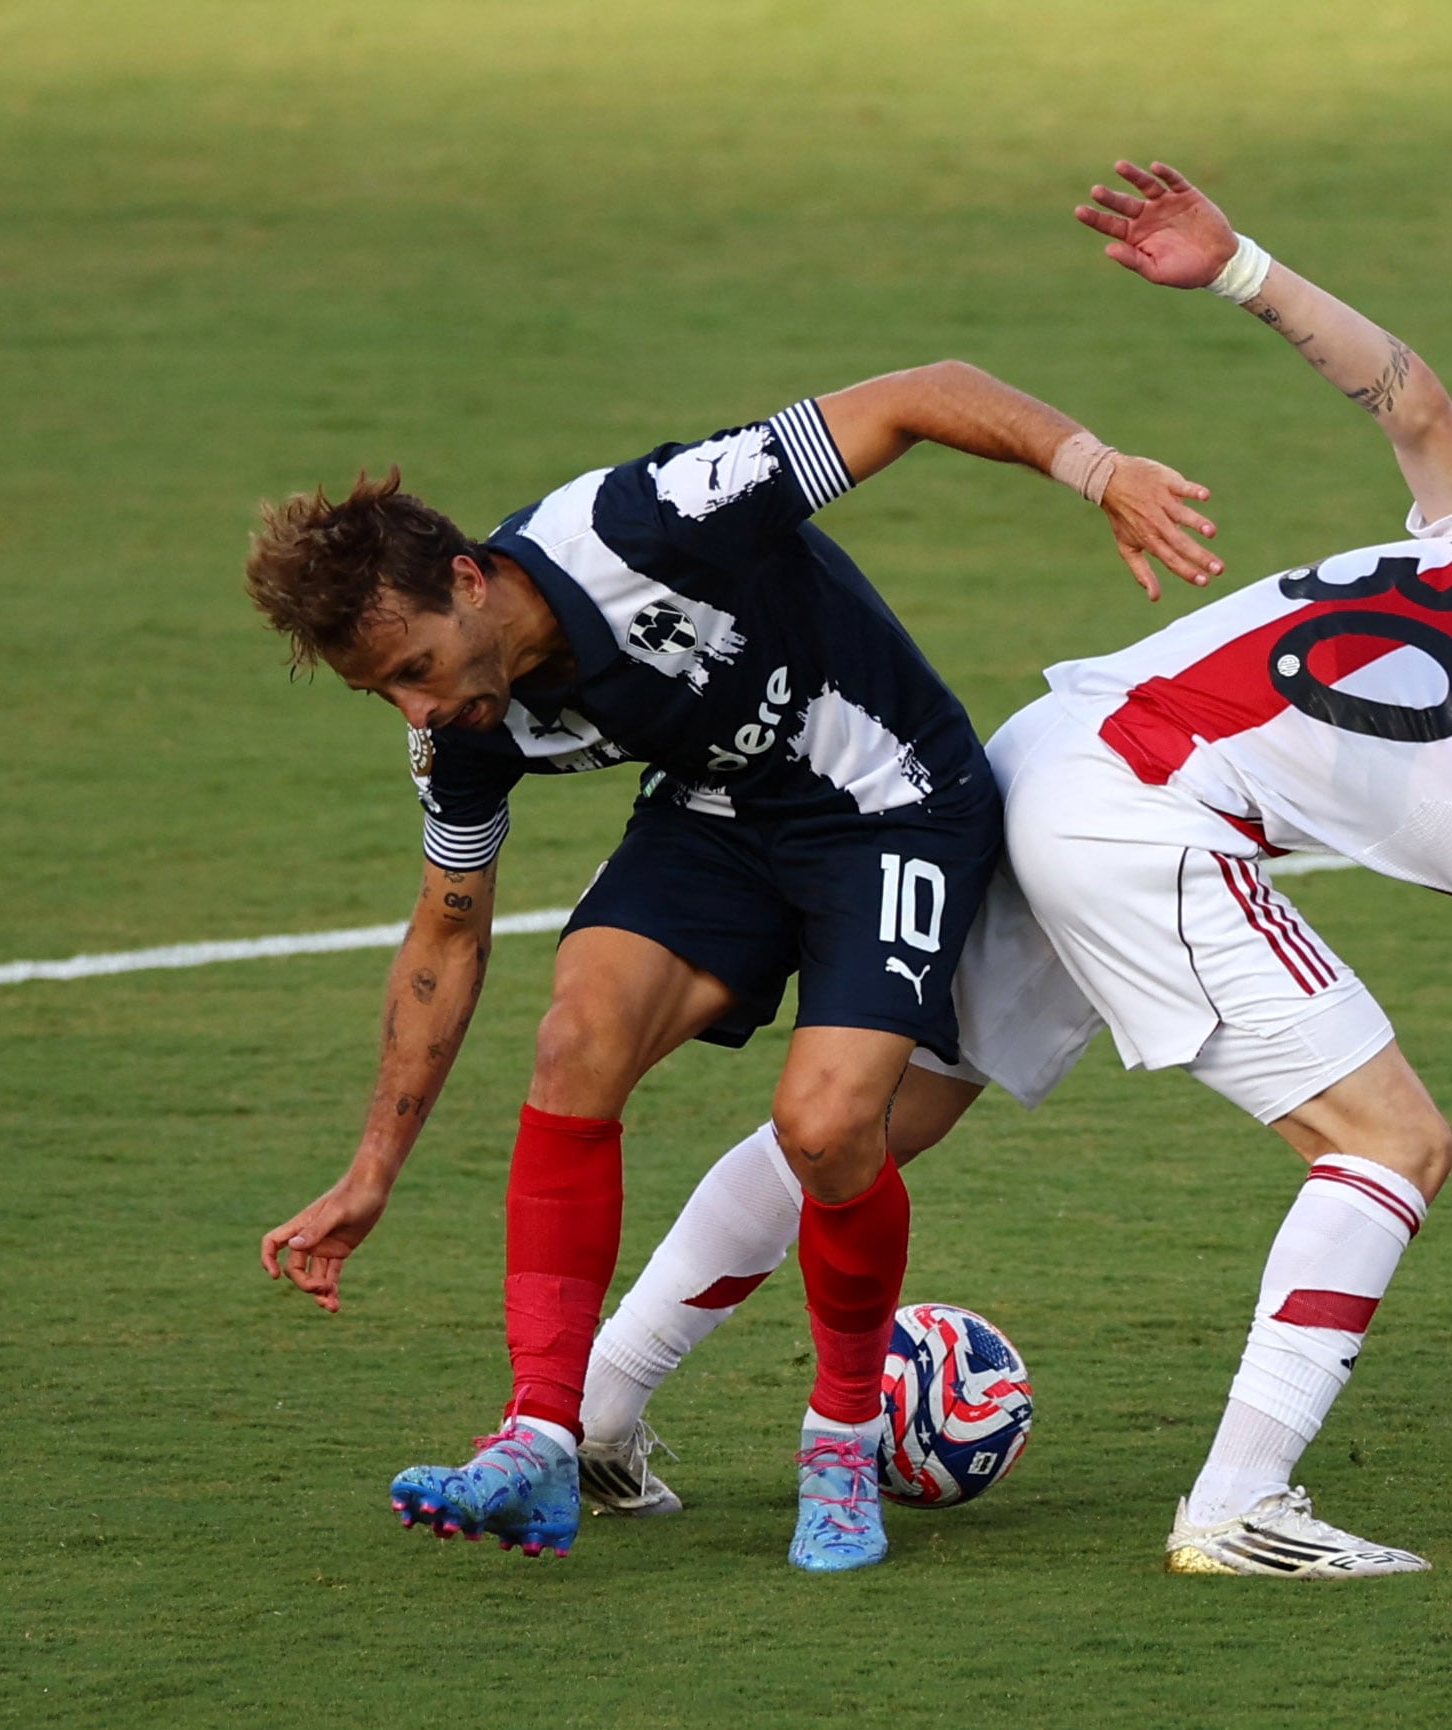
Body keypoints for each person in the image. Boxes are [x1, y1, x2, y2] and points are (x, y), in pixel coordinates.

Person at [580, 161, 1452, 1578]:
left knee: (880, 1121)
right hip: (1145, 826)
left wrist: (1241, 268)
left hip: (1049, 749)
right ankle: (1240, 1506)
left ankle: (601, 1407)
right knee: (1392, 1144)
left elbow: (1408, 399)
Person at [244, 359, 1223, 1572]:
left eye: (414, 667)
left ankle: (840, 1441)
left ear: (466, 579)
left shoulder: (643, 522)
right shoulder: (466, 734)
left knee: (823, 1127)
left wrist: (1100, 468)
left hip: (889, 805)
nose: (414, 710)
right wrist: (371, 1170)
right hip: (716, 817)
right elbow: (446, 933)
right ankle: (541, 1436)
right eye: (379, 692)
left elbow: (919, 392)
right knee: (573, 1039)